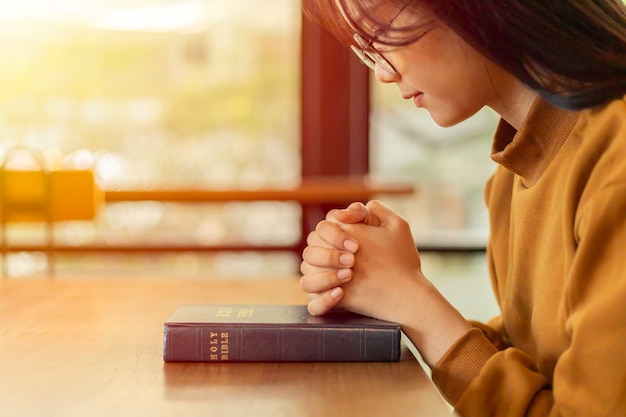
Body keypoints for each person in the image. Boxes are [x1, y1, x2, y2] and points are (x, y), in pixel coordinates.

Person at [298, 1, 626, 416]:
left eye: (382, 34)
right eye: (366, 49)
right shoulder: (512, 176)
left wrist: (410, 299)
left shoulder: (615, 163)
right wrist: (383, 286)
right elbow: (537, 363)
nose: (383, 72)